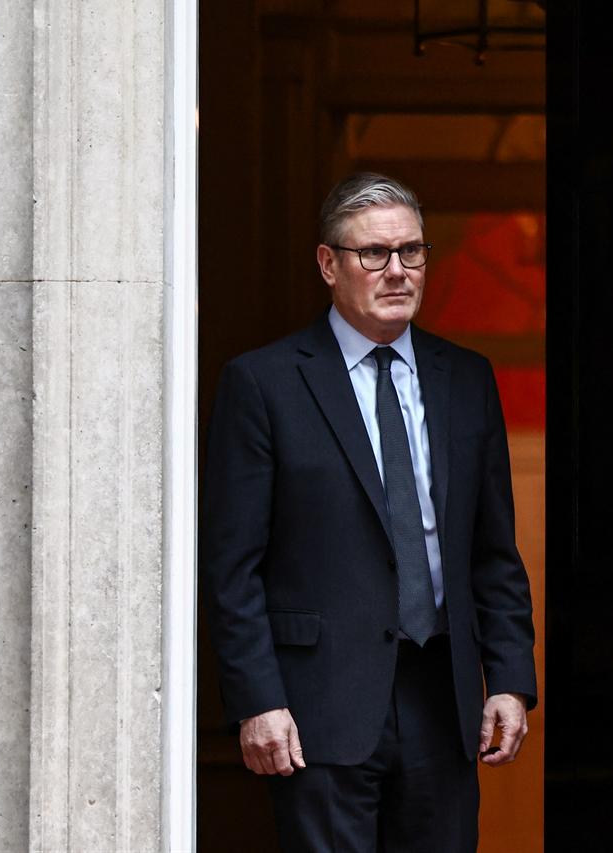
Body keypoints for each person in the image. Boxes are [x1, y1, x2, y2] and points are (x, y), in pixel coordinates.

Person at [201, 172, 537, 852]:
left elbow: (492, 550)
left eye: (411, 252)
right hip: (316, 706)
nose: (396, 271)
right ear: (329, 264)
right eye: (373, 254)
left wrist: (508, 678)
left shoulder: (466, 378)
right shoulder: (263, 382)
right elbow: (231, 565)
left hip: (441, 702)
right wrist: (257, 700)